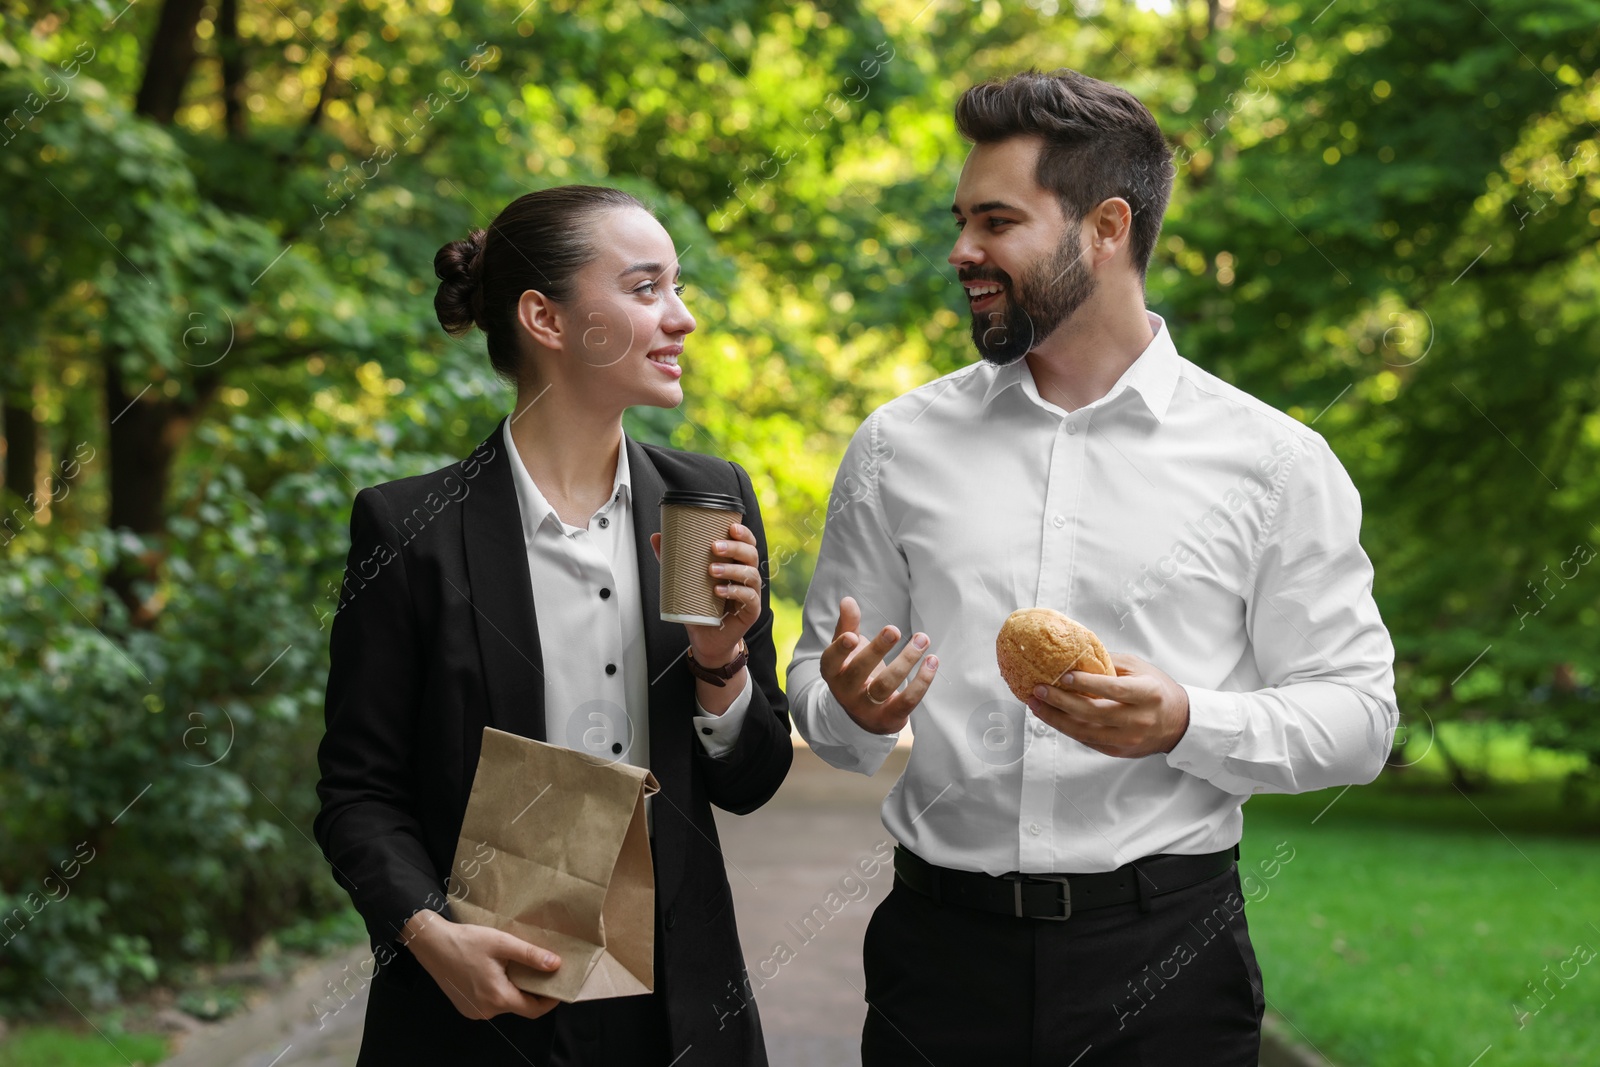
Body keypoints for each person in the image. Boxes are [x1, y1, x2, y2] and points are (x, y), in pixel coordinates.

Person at [787, 69, 1398, 1065]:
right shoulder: (897, 444)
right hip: (938, 958)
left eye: (995, 222)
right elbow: (819, 689)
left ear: (1104, 227)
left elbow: (1359, 720)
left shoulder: (1273, 461)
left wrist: (1187, 720)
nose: (961, 252)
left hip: (1166, 959)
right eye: (960, 220)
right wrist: (852, 709)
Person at [314, 184, 792, 1066]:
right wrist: (429, 936)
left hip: (680, 1011)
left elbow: (751, 780)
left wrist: (721, 665)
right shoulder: (410, 532)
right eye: (647, 288)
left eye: (678, 288)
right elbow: (358, 792)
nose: (681, 317)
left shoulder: (704, 504)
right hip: (483, 1005)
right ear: (545, 316)